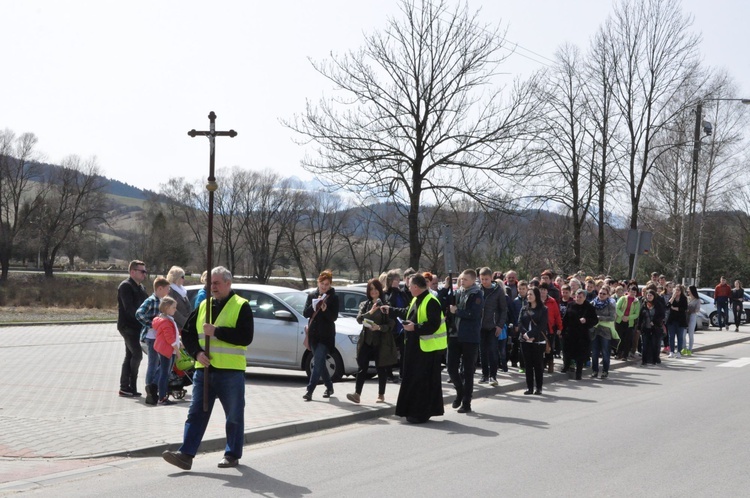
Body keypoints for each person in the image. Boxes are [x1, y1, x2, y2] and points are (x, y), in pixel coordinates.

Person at [162, 266, 254, 470]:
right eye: (211, 283)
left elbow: (246, 336)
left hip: (230, 372)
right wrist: (197, 353)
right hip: (204, 370)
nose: (213, 287)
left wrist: (217, 332)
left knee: (234, 415)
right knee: (196, 413)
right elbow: (187, 333)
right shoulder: (204, 305)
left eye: (217, 283)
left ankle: (232, 454)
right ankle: (186, 454)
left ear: (228, 284)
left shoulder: (241, 306)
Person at [384, 274, 447, 423]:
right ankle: (411, 411)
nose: (408, 288)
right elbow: (407, 312)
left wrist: (415, 327)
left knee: (422, 383)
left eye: (410, 285)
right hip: (415, 348)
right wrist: (390, 309)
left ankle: (420, 414)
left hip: (427, 350)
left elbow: (433, 324)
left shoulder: (431, 301)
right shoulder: (416, 299)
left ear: (416, 287)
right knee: (412, 380)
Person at [347, 278, 398, 404]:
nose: (373, 292)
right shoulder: (365, 305)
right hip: (366, 341)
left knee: (381, 368)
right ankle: (357, 394)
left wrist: (379, 327)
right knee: (362, 367)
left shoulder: (386, 305)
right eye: (371, 290)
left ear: (380, 290)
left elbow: (391, 324)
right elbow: (359, 319)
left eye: (375, 289)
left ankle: (381, 395)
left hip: (381, 341)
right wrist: (371, 311)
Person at [447, 269, 484, 413]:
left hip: (470, 337)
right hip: (454, 335)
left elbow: (474, 314)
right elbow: (446, 303)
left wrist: (457, 311)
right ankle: (460, 391)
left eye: (465, 279)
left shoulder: (477, 294)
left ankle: (466, 402)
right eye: (461, 279)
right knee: (451, 368)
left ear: (473, 280)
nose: (462, 282)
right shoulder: (457, 293)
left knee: (468, 372)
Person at [302, 270, 339, 401]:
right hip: (313, 335)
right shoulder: (312, 295)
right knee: (321, 363)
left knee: (317, 361)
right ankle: (329, 386)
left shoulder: (333, 298)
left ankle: (309, 390)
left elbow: (333, 317)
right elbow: (305, 313)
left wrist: (325, 309)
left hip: (326, 336)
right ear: (318, 282)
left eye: (327, 284)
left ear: (330, 285)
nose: (324, 287)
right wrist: (314, 306)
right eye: (322, 284)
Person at [136, 276, 172, 406]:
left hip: (160, 338)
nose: (168, 291)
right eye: (167, 289)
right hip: (151, 338)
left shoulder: (163, 300)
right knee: (153, 363)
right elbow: (139, 313)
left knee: (161, 365)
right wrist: (151, 324)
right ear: (159, 288)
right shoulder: (151, 300)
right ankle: (150, 389)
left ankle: (153, 387)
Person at [117, 260, 149, 397]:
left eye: (145, 271)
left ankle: (128, 387)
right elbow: (129, 309)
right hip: (127, 327)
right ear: (132, 272)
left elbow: (146, 304)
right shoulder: (125, 286)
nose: (144, 274)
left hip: (138, 327)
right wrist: (143, 319)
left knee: (130, 355)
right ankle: (127, 386)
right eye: (142, 271)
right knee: (137, 354)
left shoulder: (141, 288)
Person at [478, 267, 508, 387]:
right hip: (480, 326)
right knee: (482, 352)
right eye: (482, 279)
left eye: (486, 279)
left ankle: (493, 376)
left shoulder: (498, 290)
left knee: (492, 351)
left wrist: (500, 325)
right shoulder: (478, 290)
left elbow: (503, 309)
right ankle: (484, 375)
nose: (484, 281)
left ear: (491, 278)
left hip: (493, 326)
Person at [562, 289, 599, 379]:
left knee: (580, 354)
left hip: (582, 334)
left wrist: (586, 321)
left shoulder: (589, 307)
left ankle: (579, 373)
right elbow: (565, 318)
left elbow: (595, 320)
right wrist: (562, 330)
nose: (578, 299)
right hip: (570, 332)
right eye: (577, 297)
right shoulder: (571, 305)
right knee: (567, 351)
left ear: (585, 298)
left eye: (580, 297)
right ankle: (566, 367)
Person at [518, 287, 548, 395]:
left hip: (538, 341)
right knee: (528, 365)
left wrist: (531, 335)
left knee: (538, 365)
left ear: (536, 296)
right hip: (525, 340)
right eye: (528, 294)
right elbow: (520, 323)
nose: (529, 296)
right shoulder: (524, 309)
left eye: (531, 294)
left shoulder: (543, 309)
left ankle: (538, 387)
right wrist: (525, 334)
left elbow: (542, 325)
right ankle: (529, 387)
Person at [152, 296, 181, 405]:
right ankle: (162, 397)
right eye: (173, 307)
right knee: (165, 373)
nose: (175, 309)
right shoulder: (165, 321)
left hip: (167, 349)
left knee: (165, 372)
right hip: (166, 350)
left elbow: (173, 336)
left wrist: (179, 343)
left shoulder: (167, 319)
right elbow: (169, 339)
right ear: (167, 308)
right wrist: (177, 350)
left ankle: (162, 395)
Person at [384, 269, 409, 382]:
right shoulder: (386, 293)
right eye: (396, 280)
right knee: (391, 352)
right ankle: (389, 374)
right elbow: (389, 304)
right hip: (392, 328)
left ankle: (403, 374)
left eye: (399, 280)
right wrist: (393, 290)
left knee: (404, 352)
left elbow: (408, 306)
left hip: (402, 327)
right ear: (390, 281)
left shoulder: (401, 293)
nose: (398, 282)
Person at [590, 286, 616, 379]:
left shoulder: (610, 304)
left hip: (606, 332)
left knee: (605, 352)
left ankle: (605, 371)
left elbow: (613, 317)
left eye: (604, 294)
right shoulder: (593, 303)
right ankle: (594, 371)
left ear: (608, 295)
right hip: (595, 331)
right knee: (594, 352)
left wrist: (600, 318)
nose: (601, 295)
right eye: (600, 293)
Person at [539, 283, 562, 373]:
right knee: (540, 348)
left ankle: (550, 364)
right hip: (538, 328)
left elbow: (557, 315)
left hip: (549, 328)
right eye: (541, 290)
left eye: (544, 290)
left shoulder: (552, 301)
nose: (542, 292)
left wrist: (560, 327)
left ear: (547, 291)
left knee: (549, 348)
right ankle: (541, 364)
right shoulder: (535, 301)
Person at [638, 289, 665, 366]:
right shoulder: (644, 304)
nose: (649, 297)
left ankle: (654, 359)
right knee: (645, 344)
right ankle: (644, 360)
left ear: (654, 296)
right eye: (648, 295)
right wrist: (639, 328)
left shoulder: (658, 305)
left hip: (655, 329)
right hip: (645, 328)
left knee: (654, 344)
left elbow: (662, 316)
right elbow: (640, 317)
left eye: (651, 295)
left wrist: (655, 321)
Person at [615, 285, 640, 361]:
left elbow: (636, 314)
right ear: (628, 291)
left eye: (634, 292)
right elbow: (617, 308)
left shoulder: (637, 302)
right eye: (631, 291)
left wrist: (628, 318)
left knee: (627, 339)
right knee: (619, 338)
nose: (633, 293)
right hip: (620, 321)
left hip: (630, 323)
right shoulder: (622, 298)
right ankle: (618, 353)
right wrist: (622, 316)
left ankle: (625, 355)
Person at [509, 280, 529, 371]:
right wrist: (515, 325)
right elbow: (513, 314)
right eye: (520, 289)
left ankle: (524, 364)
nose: (521, 291)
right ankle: (514, 361)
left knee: (524, 346)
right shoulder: (515, 301)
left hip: (527, 327)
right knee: (516, 345)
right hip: (517, 326)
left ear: (527, 289)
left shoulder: (529, 301)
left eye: (523, 289)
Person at [166, 266, 193, 331]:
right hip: (176, 325)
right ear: (176, 278)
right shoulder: (170, 290)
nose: (184, 279)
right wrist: (184, 321)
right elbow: (171, 309)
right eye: (182, 277)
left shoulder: (182, 290)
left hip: (186, 324)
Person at [666, 284, 688, 359]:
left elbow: (684, 308)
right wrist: (673, 297)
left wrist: (675, 308)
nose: (677, 291)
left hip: (680, 320)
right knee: (671, 336)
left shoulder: (684, 298)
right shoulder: (671, 297)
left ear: (681, 291)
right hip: (672, 319)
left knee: (680, 337)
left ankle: (679, 351)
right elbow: (668, 306)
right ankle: (671, 351)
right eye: (676, 290)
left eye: (678, 290)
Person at [685, 285, 701, 356]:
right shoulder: (687, 298)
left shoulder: (697, 300)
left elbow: (697, 310)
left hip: (692, 316)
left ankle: (690, 349)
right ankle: (684, 348)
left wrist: (691, 309)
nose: (688, 291)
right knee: (683, 334)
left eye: (689, 290)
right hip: (685, 317)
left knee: (691, 334)